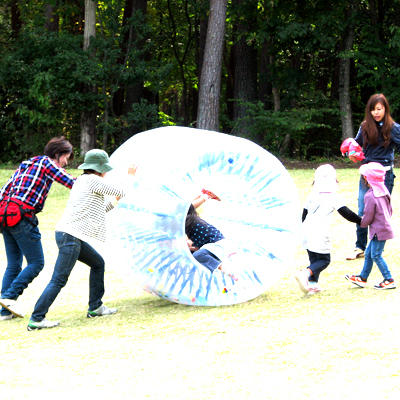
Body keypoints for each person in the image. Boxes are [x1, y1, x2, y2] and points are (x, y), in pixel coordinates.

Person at [26, 149, 136, 331]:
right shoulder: (93, 181)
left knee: (98, 263)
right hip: (70, 237)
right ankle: (37, 318)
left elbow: (102, 209)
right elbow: (124, 190)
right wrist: (131, 176)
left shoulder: (85, 181)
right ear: (100, 168)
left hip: (69, 235)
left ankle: (95, 307)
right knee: (59, 279)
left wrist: (116, 200)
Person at [0, 137, 75, 321]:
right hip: (22, 216)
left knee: (14, 263)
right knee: (36, 262)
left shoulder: (27, 163)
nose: (66, 162)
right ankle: (9, 297)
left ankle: (4, 311)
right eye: (66, 157)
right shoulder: (48, 163)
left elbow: (4, 190)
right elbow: (72, 183)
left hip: (4, 215)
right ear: (57, 154)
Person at [344, 94, 400, 260]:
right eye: (373, 109)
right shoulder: (365, 126)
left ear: (385, 109)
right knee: (362, 210)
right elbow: (355, 146)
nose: (376, 112)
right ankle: (359, 247)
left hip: (384, 176)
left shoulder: (393, 127)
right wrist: (351, 154)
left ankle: (376, 249)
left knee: (380, 213)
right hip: (366, 176)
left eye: (379, 109)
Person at [295, 164, 361, 295]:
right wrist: (361, 221)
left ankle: (313, 285)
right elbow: (347, 213)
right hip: (319, 231)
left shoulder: (312, 195)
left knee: (314, 258)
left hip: (306, 229)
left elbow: (304, 215)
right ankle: (305, 273)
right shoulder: (333, 197)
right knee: (324, 260)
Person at [345, 162, 395, 290]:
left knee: (376, 255)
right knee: (368, 253)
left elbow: (367, 217)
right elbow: (390, 209)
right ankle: (362, 278)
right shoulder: (384, 191)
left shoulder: (370, 196)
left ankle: (389, 280)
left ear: (367, 178)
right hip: (383, 228)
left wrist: (360, 223)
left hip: (379, 230)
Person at [185, 202, 238, 281]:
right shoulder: (192, 222)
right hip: (211, 247)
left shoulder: (192, 222)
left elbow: (187, 207)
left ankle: (223, 268)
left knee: (197, 255)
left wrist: (203, 197)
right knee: (192, 255)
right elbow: (196, 247)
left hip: (217, 245)